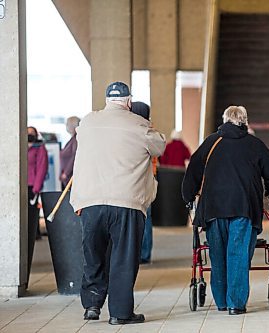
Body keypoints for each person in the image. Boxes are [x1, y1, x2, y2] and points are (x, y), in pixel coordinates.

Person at [70, 82, 166, 325]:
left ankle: (92, 304)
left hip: (91, 201)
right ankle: (120, 313)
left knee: (94, 254)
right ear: (129, 102)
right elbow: (159, 146)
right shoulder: (139, 124)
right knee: (124, 257)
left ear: (106, 100)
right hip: (126, 201)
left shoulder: (88, 123)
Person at [182, 105, 269, 315]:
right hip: (244, 207)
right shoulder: (254, 144)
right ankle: (236, 304)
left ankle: (222, 302)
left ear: (224, 120)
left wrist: (188, 196)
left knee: (217, 254)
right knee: (237, 254)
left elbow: (193, 169)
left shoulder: (211, 142)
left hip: (213, 208)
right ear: (245, 121)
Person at [130, 101, 155, 264]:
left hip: (138, 180)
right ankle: (143, 253)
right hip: (147, 179)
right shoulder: (149, 131)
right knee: (145, 217)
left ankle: (141, 253)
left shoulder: (139, 131)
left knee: (140, 217)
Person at [27, 126, 48, 240]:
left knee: (32, 212)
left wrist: (36, 188)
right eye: (27, 133)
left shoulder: (40, 148)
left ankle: (34, 234)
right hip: (21, 186)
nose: (29, 135)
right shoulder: (21, 146)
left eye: (32, 133)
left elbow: (42, 168)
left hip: (32, 185)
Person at [59, 116, 80, 188]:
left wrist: (66, 173)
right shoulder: (73, 139)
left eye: (67, 124)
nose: (66, 126)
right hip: (67, 177)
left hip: (69, 177)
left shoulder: (76, 140)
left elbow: (74, 157)